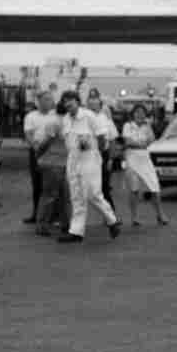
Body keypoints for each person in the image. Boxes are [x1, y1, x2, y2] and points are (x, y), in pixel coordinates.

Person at [59, 90, 121, 243]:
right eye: (65, 101)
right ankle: (76, 231)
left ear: (77, 101)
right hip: (73, 159)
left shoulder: (89, 116)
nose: (68, 104)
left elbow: (101, 136)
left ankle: (112, 221)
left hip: (89, 158)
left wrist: (95, 151)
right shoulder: (66, 119)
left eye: (70, 100)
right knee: (76, 197)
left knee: (93, 194)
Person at [121, 104, 169, 227]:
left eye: (142, 112)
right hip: (132, 159)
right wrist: (140, 144)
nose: (139, 114)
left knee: (155, 187)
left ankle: (160, 214)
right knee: (134, 189)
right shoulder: (128, 126)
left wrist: (148, 129)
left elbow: (151, 140)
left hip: (145, 159)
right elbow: (127, 141)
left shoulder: (147, 127)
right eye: (137, 112)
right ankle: (134, 217)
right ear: (133, 114)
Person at [32, 100, 71, 237]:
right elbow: (45, 142)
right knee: (52, 195)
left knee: (62, 195)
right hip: (53, 163)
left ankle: (66, 224)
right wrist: (38, 156)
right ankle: (42, 225)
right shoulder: (56, 122)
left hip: (62, 163)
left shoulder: (65, 122)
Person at [22, 92, 54, 224]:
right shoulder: (31, 116)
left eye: (50, 100)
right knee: (37, 184)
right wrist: (35, 147)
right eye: (46, 99)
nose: (48, 102)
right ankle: (36, 214)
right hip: (36, 152)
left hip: (53, 152)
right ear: (38, 101)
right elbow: (28, 134)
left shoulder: (55, 116)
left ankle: (51, 216)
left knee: (52, 186)